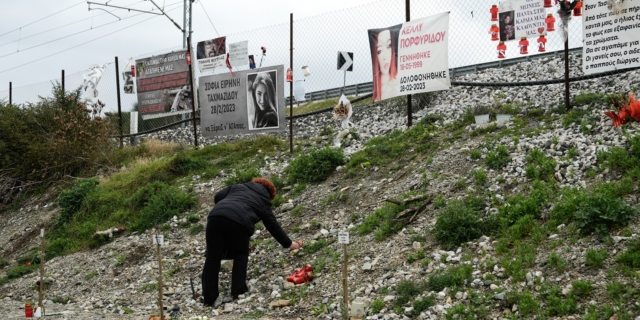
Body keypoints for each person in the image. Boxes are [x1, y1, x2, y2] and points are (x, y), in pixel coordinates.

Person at [201, 178, 302, 306]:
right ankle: (238, 291)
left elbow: (218, 196)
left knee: (212, 257)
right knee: (240, 255)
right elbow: (273, 226)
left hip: (215, 216)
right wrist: (288, 243)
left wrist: (225, 208)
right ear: (269, 194)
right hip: (239, 221)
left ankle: (209, 299)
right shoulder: (263, 201)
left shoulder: (237, 187)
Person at [370, 28, 399, 102]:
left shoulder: (399, 78)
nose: (385, 57)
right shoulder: (378, 88)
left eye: (389, 46)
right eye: (379, 51)